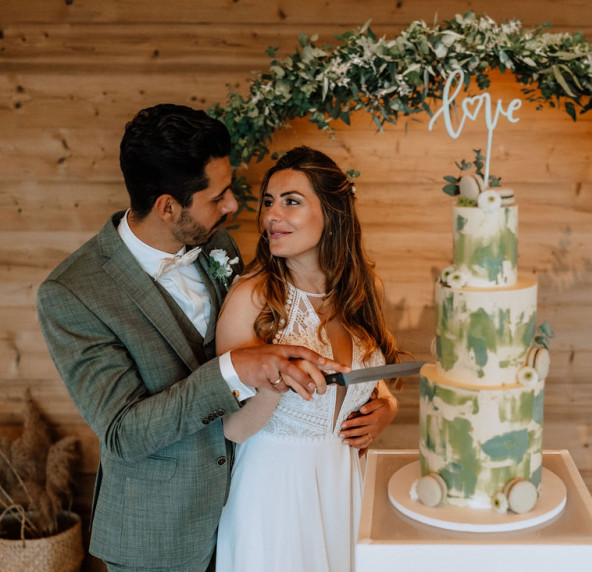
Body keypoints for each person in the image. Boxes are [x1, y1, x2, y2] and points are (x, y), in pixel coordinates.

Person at [36, 105, 396, 571]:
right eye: (218, 197)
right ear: (168, 206)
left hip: (257, 499)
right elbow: (124, 433)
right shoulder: (73, 294)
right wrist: (236, 370)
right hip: (163, 530)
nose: (234, 208)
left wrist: (383, 403)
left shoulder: (216, 246)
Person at [214, 146, 401, 571]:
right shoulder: (252, 299)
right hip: (275, 499)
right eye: (268, 202)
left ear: (332, 213)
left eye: (291, 202)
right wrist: (276, 384)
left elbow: (369, 378)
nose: (271, 216)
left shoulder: (360, 289)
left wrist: (387, 408)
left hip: (344, 487)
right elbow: (232, 428)